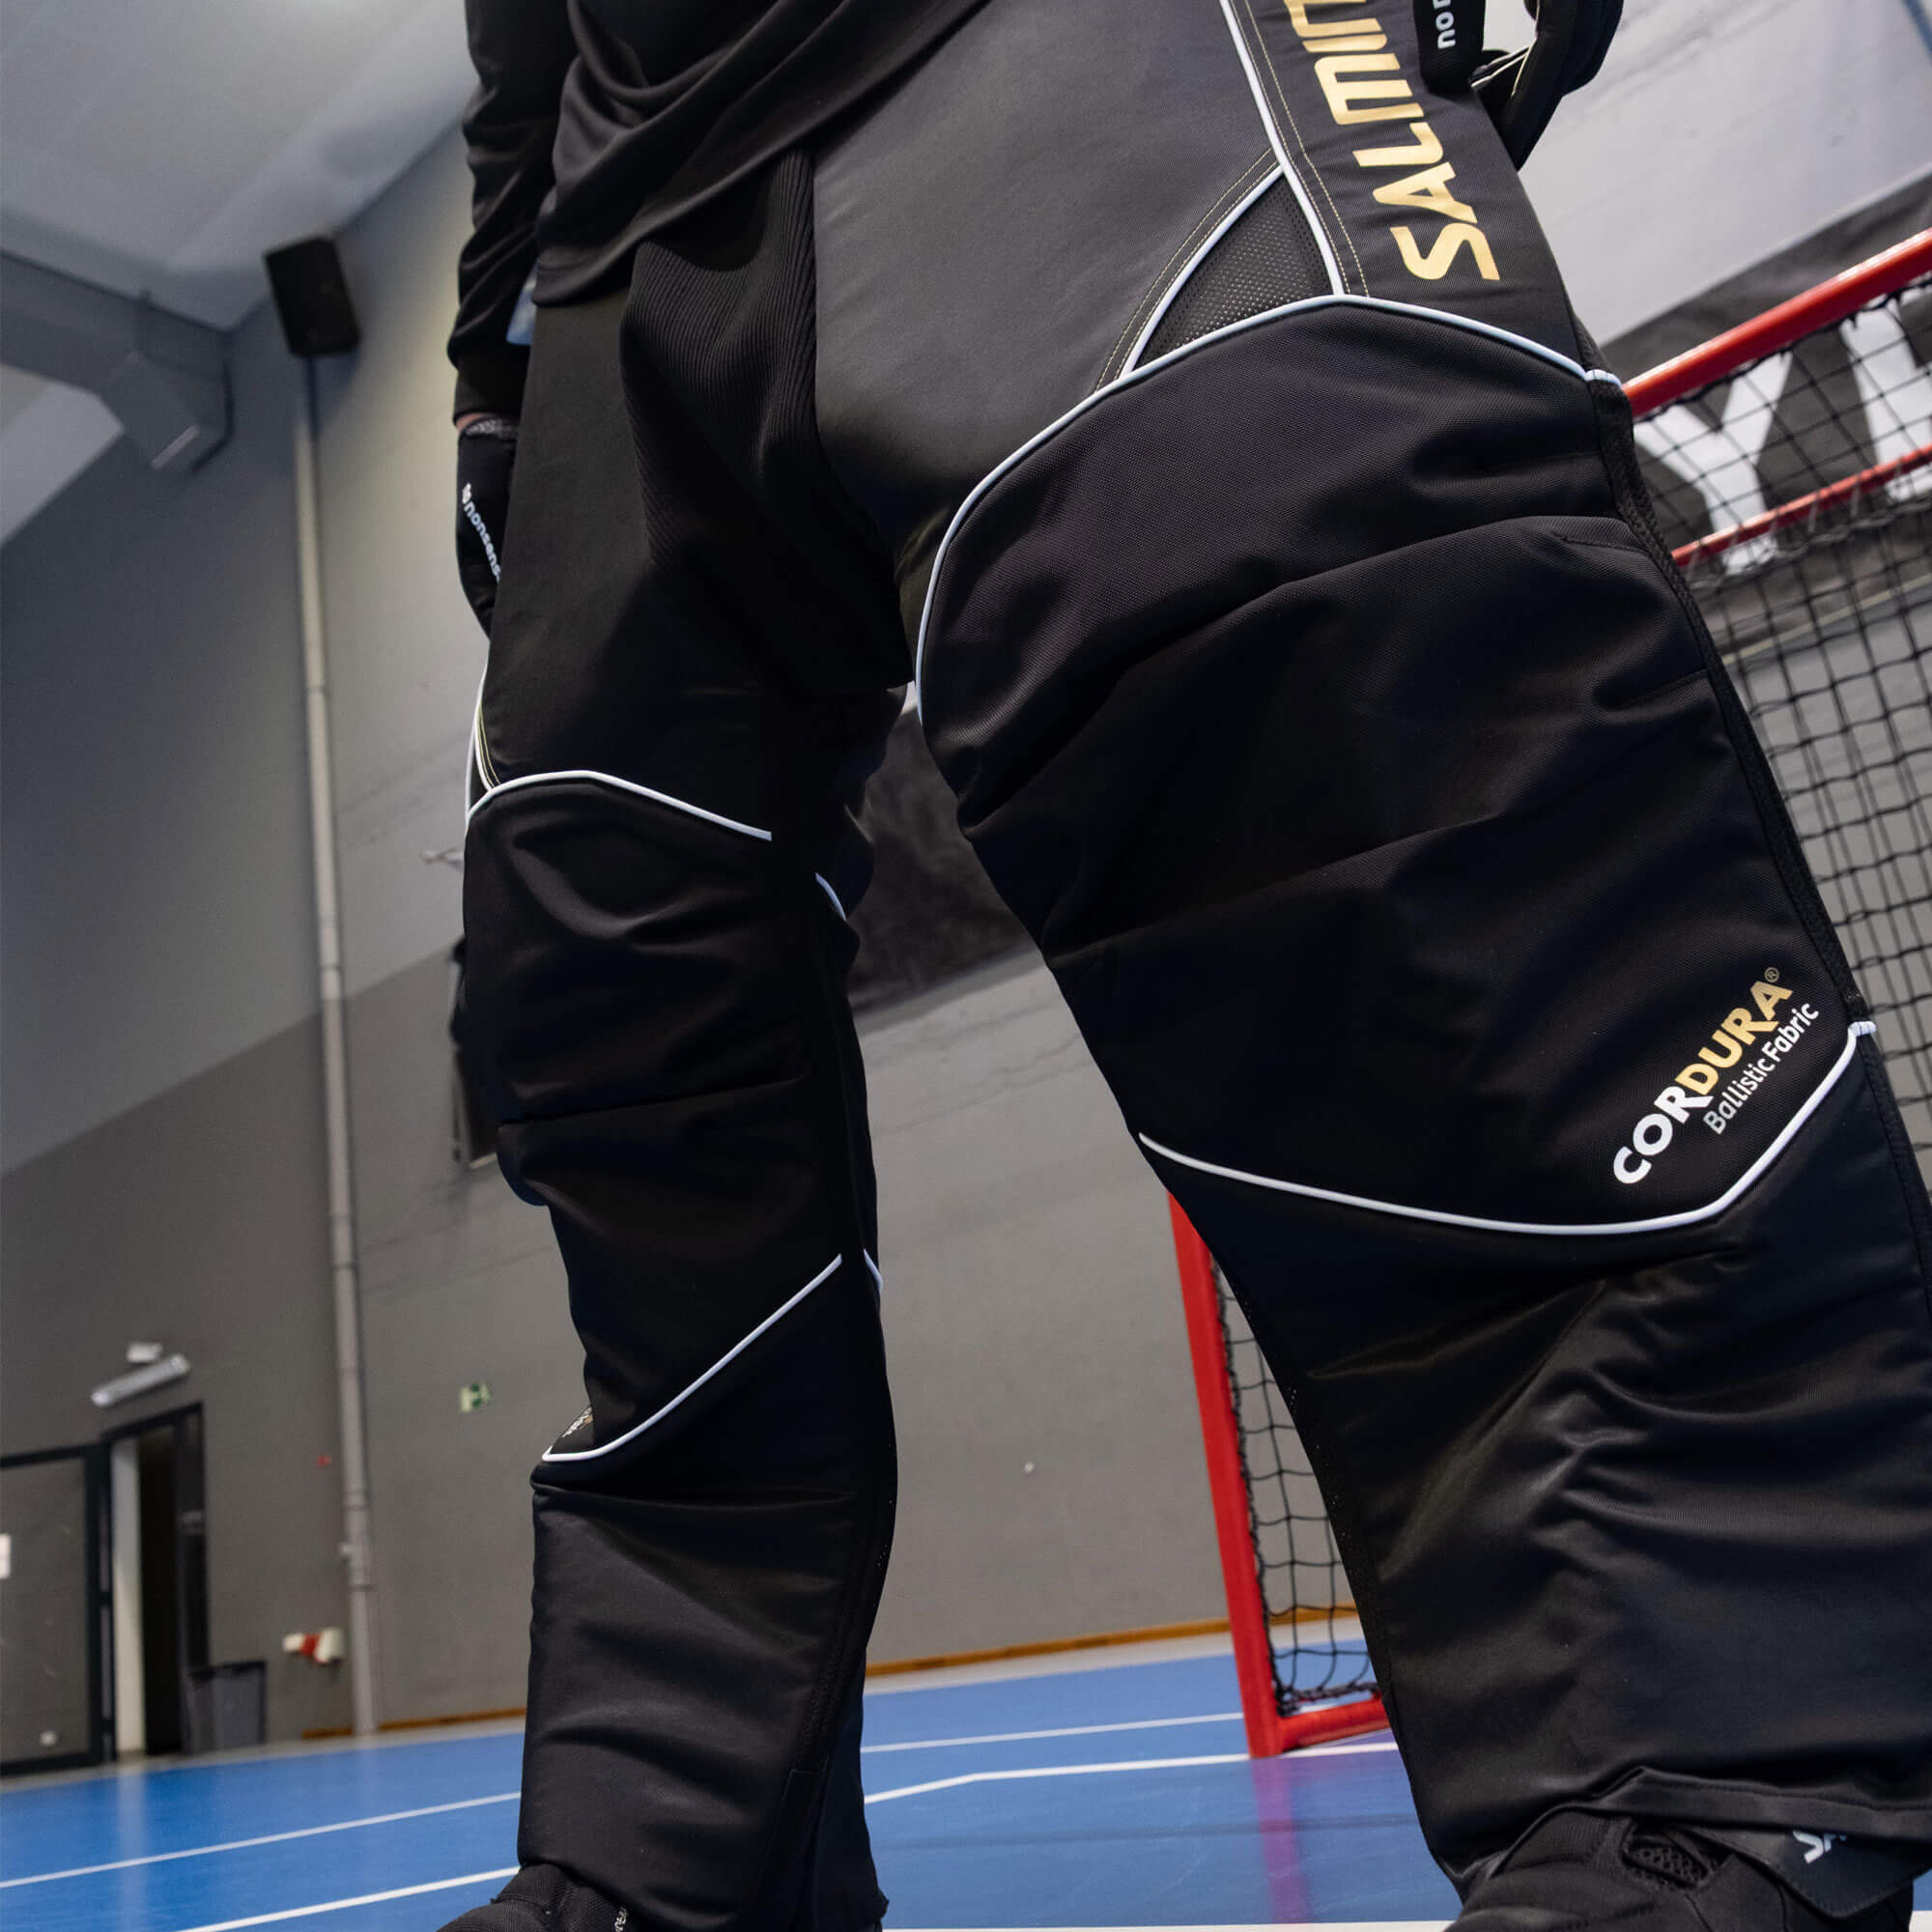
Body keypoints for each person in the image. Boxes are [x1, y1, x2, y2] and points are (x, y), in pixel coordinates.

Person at [440, 3, 1932, 1927]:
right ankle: (669, 1863)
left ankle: (1711, 1777)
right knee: (610, 998)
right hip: (620, 230)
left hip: (1074, 54)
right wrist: (491, 360)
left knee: (1353, 688)